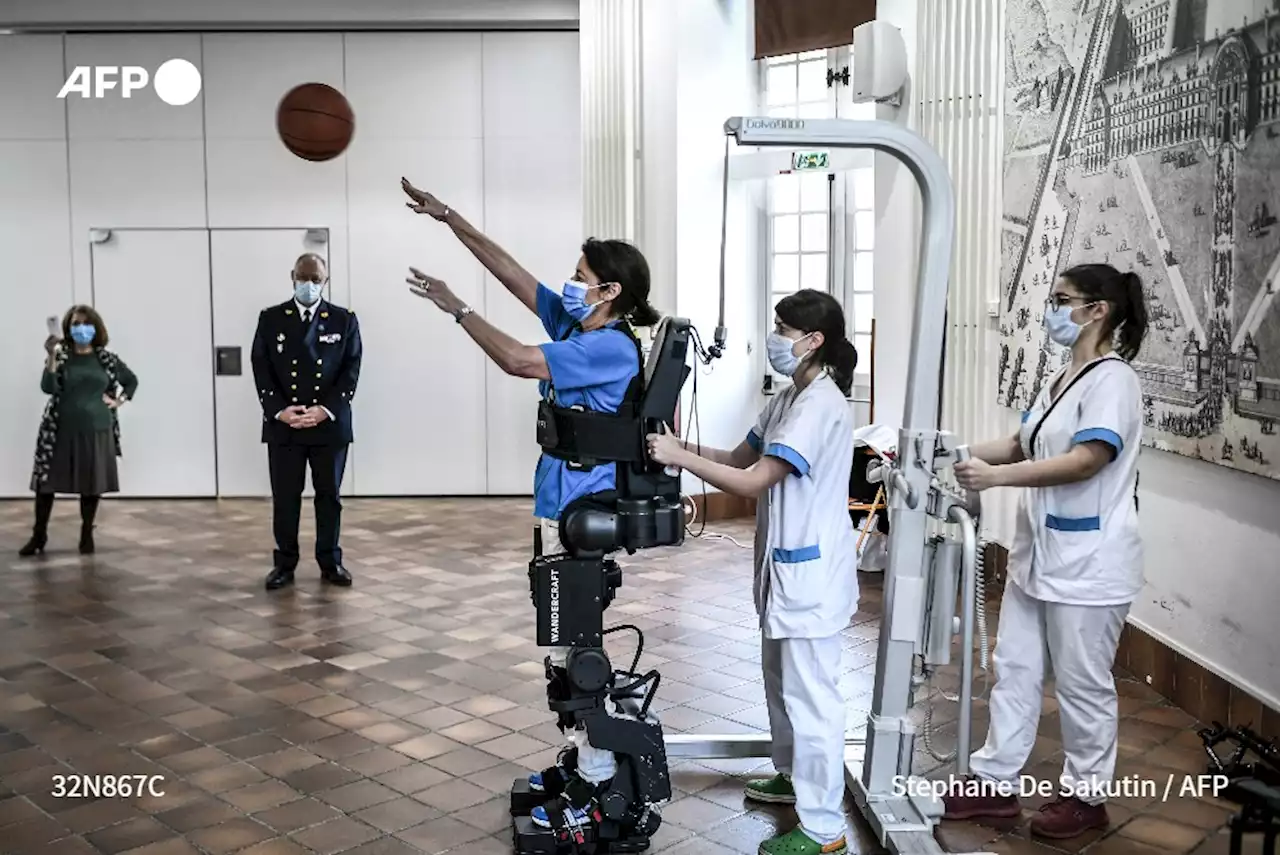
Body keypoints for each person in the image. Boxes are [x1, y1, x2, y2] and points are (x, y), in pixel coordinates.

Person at [400, 176, 662, 830]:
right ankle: (580, 766)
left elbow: (518, 359)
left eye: (582, 276)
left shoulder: (606, 344)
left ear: (611, 291)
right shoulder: (582, 325)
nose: (570, 283)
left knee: (576, 652)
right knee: (563, 647)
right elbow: (516, 277)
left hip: (579, 510)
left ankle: (597, 792)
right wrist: (448, 217)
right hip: (559, 505)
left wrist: (458, 309)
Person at [648, 289, 859, 855]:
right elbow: (737, 457)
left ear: (813, 341)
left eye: (783, 329)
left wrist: (679, 459)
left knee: (813, 696)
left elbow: (751, 483)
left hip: (812, 577)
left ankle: (823, 829)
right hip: (785, 572)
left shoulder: (821, 406)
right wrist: (672, 444)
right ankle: (792, 776)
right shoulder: (791, 396)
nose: (776, 337)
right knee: (781, 682)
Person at [943, 263, 1148, 840]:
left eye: (1063, 300)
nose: (1052, 310)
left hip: (1092, 562)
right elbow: (1018, 442)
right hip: (1039, 557)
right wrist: (947, 453)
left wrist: (997, 480)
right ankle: (995, 782)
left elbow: (1088, 459)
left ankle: (1087, 797)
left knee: (1082, 683)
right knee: (1015, 668)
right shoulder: (1063, 378)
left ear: (1098, 310)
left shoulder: (1114, 381)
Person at [252, 253, 362, 591]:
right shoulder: (271, 319)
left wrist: (325, 410)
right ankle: (284, 563)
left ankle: (330, 561)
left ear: (325, 281)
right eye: (303, 277)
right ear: (292, 276)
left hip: (328, 426)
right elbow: (262, 368)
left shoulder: (344, 320)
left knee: (329, 497)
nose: (309, 285)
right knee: (285, 497)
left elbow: (350, 370)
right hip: (285, 426)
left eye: (316, 279)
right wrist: (280, 410)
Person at [20, 306, 138, 557]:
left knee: (90, 484)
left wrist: (119, 400)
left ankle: (86, 534)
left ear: (95, 328)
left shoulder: (106, 359)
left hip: (97, 429)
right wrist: (51, 355)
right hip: (60, 429)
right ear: (67, 329)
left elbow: (131, 380)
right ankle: (38, 535)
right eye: (75, 324)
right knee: (46, 483)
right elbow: (48, 387)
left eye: (85, 324)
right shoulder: (62, 356)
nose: (80, 329)